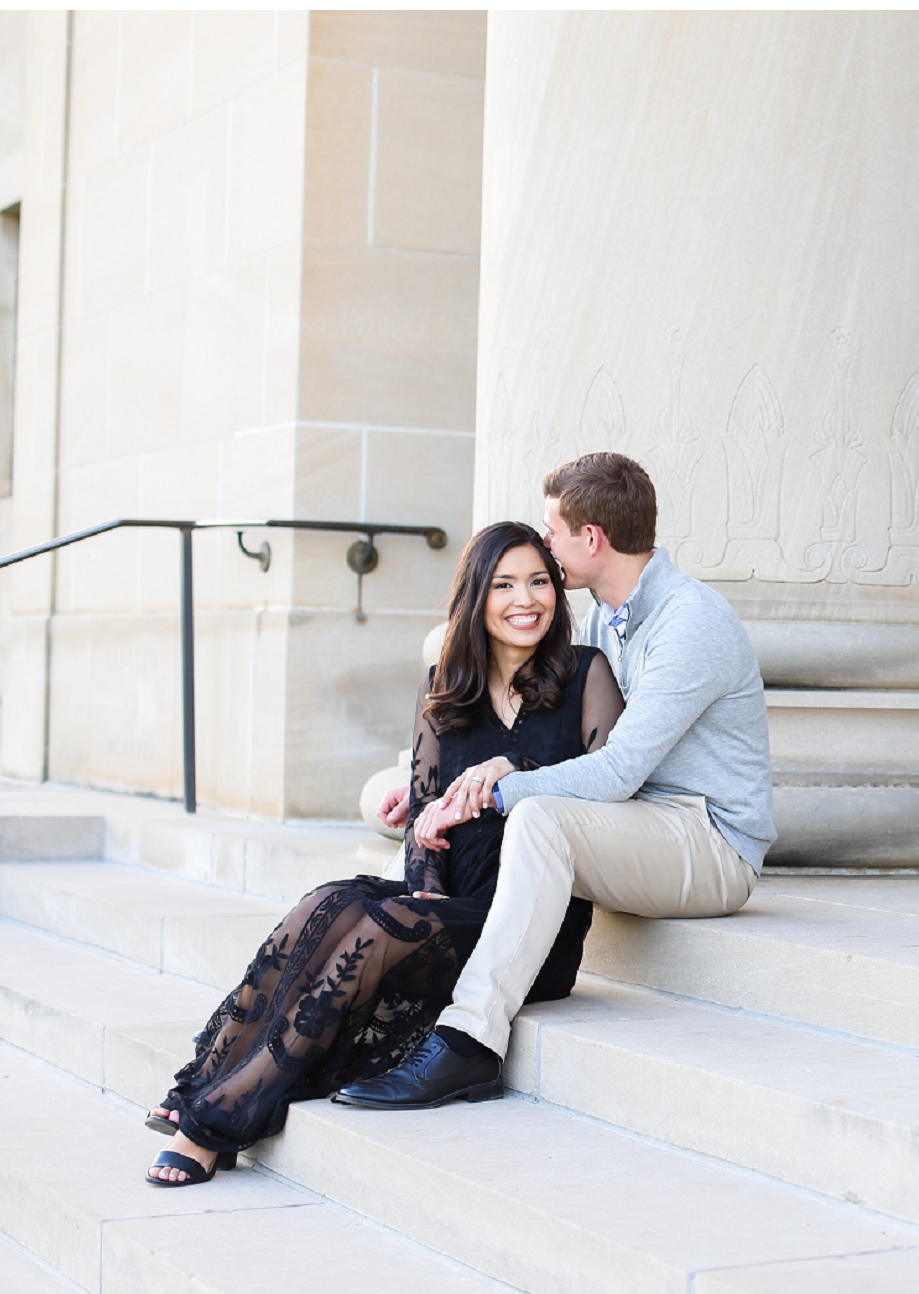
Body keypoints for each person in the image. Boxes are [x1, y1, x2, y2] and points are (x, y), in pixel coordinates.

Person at [143, 521, 624, 1184]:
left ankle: (212, 1120)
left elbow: (609, 785)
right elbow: (424, 813)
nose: (526, 598)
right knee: (330, 899)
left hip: (526, 925)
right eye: (505, 583)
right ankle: (206, 1077)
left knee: (380, 926)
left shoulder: (585, 675)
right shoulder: (443, 688)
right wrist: (424, 883)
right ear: (476, 596)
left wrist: (510, 767)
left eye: (539, 581)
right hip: (448, 905)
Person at [330, 451, 773, 1110]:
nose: (544, 547)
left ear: (590, 539)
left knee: (535, 815)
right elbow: (532, 724)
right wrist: (433, 783)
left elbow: (618, 769)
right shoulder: (601, 618)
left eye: (551, 532)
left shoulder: (690, 622)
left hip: (709, 840)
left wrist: (493, 790)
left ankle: (469, 1042)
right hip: (636, 826)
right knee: (456, 835)